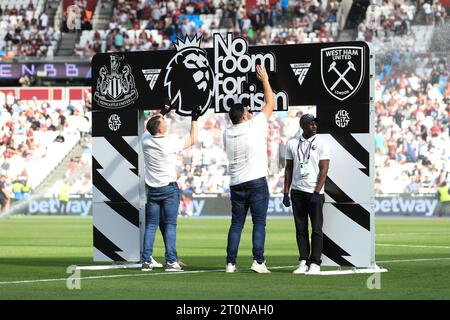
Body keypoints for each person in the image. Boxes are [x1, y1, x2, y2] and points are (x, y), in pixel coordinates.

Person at [223, 64, 275, 273]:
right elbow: (270, 102)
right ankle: (258, 261)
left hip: (236, 184)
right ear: (244, 116)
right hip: (255, 182)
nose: (250, 111)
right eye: (247, 110)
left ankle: (230, 263)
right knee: (259, 223)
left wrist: (246, 117)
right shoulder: (253, 126)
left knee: (236, 224)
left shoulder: (226, 133)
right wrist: (264, 80)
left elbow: (241, 120)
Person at [141, 107, 201, 272]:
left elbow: (150, 127)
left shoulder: (145, 140)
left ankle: (146, 261)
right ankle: (171, 261)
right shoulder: (169, 142)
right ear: (160, 129)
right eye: (164, 122)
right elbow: (192, 139)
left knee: (151, 226)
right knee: (170, 225)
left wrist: (161, 113)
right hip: (168, 189)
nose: (166, 122)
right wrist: (194, 119)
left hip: (152, 189)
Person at [282, 114, 330, 274]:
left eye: (315, 123)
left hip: (314, 193)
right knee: (300, 228)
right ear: (302, 125)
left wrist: (317, 192)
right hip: (297, 192)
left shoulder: (322, 143)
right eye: (311, 124)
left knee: (316, 228)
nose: (314, 126)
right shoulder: (291, 144)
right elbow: (288, 169)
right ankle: (303, 260)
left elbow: (324, 170)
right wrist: (286, 192)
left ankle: (315, 262)